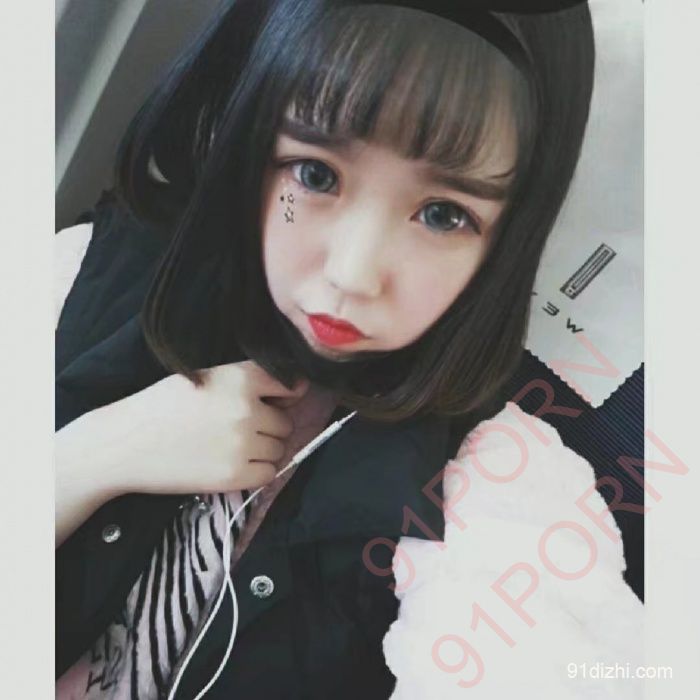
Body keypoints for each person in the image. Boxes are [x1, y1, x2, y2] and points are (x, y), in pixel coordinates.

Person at [55, 1, 643, 698]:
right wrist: (91, 457)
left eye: (443, 215)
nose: (352, 274)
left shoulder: (500, 487)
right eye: (314, 175)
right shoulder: (82, 275)